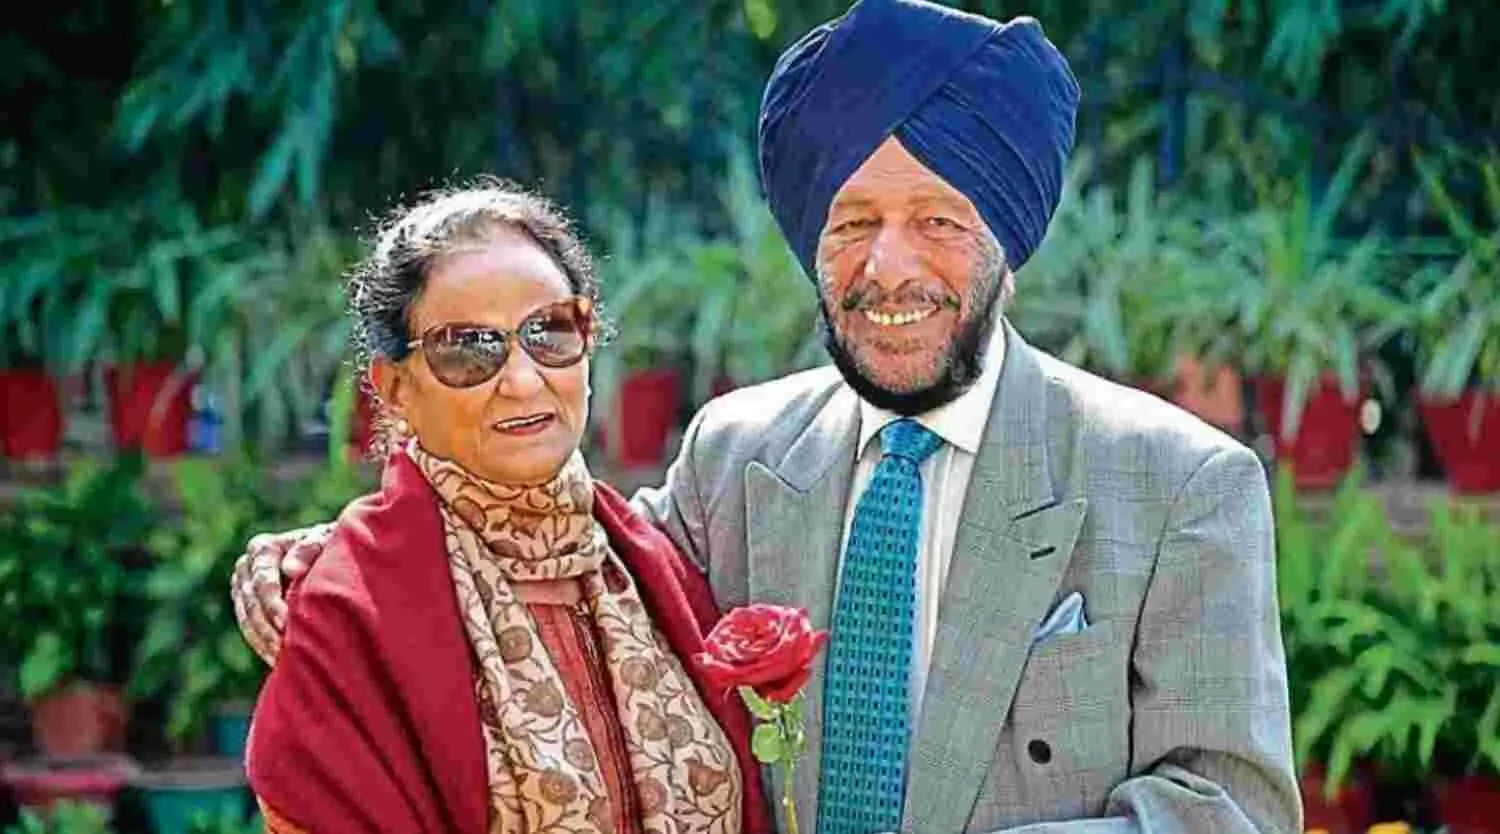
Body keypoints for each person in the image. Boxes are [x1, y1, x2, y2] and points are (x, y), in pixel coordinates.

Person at [235, 1, 1300, 832]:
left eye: (939, 219)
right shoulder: (736, 457)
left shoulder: (1177, 485)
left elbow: (1232, 807)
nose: (889, 267)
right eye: (851, 221)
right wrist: (343, 556)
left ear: (1007, 239)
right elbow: (553, 559)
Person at [240, 179, 771, 834]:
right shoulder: (348, 612)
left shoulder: (656, 565)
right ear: (395, 387)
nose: (523, 381)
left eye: (550, 332)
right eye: (468, 348)